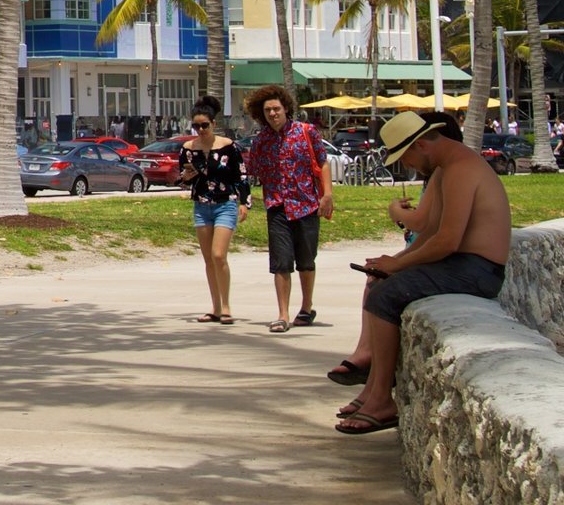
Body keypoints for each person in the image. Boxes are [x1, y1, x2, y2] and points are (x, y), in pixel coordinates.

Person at [331, 111, 512, 435]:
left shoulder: (460, 168)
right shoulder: (451, 166)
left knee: (387, 295)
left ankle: (383, 400)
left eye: (407, 158)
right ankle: (373, 391)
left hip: (477, 270)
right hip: (465, 264)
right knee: (382, 284)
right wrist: (395, 260)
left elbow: (447, 240)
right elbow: (431, 232)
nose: (410, 167)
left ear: (420, 145)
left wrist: (398, 264)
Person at [242, 84, 333, 333]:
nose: (273, 114)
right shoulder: (261, 141)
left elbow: (323, 162)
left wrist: (327, 195)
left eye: (276, 108)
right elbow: (251, 172)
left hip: (306, 204)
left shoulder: (306, 132)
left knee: (306, 259)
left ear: (286, 108)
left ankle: (306, 307)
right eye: (268, 110)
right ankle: (283, 314)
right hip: (277, 206)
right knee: (281, 261)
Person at [178, 95, 248, 325]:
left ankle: (226, 306)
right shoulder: (188, 149)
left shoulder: (228, 147)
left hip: (225, 203)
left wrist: (244, 202)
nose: (200, 130)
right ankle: (216, 307)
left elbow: (241, 175)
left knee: (219, 255)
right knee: (208, 259)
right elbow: (184, 179)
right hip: (201, 205)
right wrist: (186, 177)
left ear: (213, 124)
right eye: (196, 126)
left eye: (204, 125)